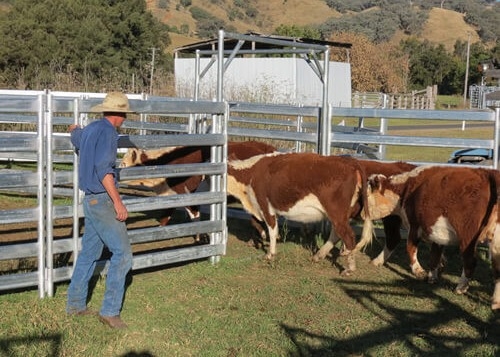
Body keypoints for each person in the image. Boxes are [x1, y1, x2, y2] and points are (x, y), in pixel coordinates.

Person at [66, 92, 134, 329]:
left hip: (89, 201)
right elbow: (105, 171)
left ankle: (75, 305)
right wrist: (118, 202)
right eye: (125, 113)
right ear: (121, 114)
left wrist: (74, 129)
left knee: (88, 254)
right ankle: (110, 311)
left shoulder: (91, 130)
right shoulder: (108, 134)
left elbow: (77, 137)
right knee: (123, 254)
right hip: (103, 200)